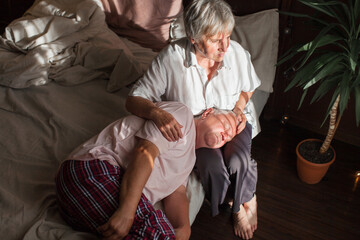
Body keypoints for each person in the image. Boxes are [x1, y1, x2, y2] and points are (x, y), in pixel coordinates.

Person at [125, 0, 260, 239]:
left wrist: (239, 108)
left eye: (228, 36)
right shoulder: (171, 59)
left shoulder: (236, 53)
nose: (225, 46)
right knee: (212, 168)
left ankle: (243, 202)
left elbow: (249, 88)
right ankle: (229, 200)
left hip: (233, 121)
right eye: (216, 39)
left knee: (239, 161)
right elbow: (134, 98)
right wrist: (158, 113)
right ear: (194, 38)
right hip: (198, 130)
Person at [55, 101, 237, 240]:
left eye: (228, 137)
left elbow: (177, 193)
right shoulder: (183, 117)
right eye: (225, 125)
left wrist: (183, 227)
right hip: (91, 171)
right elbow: (145, 151)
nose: (225, 134)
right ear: (207, 113)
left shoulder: (189, 161)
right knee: (159, 234)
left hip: (83, 203)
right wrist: (127, 211)